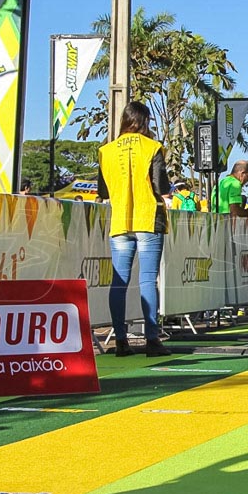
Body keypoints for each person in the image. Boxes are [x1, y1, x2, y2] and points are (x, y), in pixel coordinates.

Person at [97, 101, 172, 358]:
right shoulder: (152, 147)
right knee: (147, 279)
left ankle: (120, 341)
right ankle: (152, 340)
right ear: (145, 120)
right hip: (148, 217)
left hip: (119, 221)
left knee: (119, 281)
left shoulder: (105, 151)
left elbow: (103, 191)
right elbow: (161, 186)